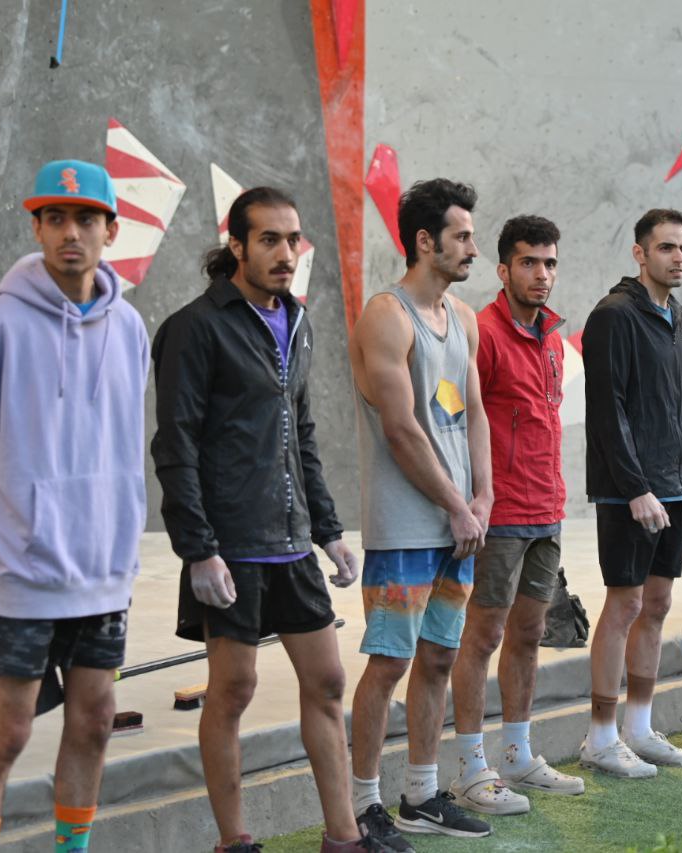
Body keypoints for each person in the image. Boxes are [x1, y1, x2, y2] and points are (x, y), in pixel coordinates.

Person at [151, 187, 385, 853]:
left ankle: (344, 837)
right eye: (270, 240)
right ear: (236, 246)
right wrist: (198, 549)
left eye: (293, 240)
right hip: (230, 544)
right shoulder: (196, 328)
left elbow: (300, 435)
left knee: (328, 681)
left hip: (291, 541)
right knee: (233, 689)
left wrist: (328, 530)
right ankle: (236, 841)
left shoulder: (298, 320)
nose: (286, 253)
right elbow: (175, 445)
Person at [0, 159, 149, 853]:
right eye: (54, 218)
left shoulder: (129, 328)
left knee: (94, 722)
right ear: (36, 228)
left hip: (103, 573)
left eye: (86, 219)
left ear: (111, 230)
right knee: (6, 731)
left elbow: (125, 446)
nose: (70, 233)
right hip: (21, 571)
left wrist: (124, 543)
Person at [348, 179, 494, 846]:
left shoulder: (462, 317)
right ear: (425, 241)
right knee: (389, 663)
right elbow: (402, 429)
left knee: (438, 659)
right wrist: (457, 505)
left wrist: (483, 496)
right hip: (406, 527)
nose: (472, 248)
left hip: (458, 524)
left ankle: (421, 794)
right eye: (461, 236)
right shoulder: (387, 315)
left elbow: (476, 411)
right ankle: (362, 805)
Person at [580, 208, 682, 779]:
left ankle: (639, 729)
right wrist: (635, 488)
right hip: (628, 492)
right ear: (640, 254)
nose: (678, 257)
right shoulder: (614, 315)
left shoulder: (680, 316)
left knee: (658, 603)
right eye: (666, 247)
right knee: (625, 604)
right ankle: (600, 737)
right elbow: (607, 409)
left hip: (671, 486)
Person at [448, 215, 584, 815]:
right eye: (529, 262)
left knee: (529, 635)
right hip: (498, 513)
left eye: (549, 262)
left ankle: (517, 755)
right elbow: (458, 424)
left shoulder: (552, 336)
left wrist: (554, 502)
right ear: (503, 270)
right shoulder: (481, 333)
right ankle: (469, 768)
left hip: (546, 510)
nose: (542, 274)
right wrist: (471, 503)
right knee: (482, 637)